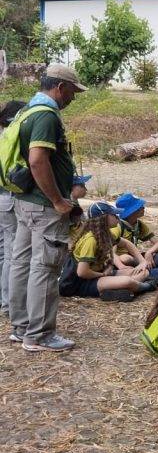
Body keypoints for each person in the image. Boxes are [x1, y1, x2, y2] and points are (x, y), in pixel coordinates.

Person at [8, 64, 86, 352]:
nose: (73, 98)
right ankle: (39, 334)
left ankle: (21, 326)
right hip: (43, 207)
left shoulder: (27, 109)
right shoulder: (46, 115)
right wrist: (57, 200)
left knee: (21, 262)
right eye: (72, 92)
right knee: (45, 267)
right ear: (60, 87)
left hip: (25, 200)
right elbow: (38, 160)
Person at [58, 202, 157, 301]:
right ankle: (146, 286)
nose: (117, 217)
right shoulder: (91, 240)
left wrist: (142, 262)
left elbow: (127, 244)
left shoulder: (104, 234)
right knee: (127, 281)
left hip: (98, 273)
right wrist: (103, 275)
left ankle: (118, 290)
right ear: (104, 218)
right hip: (82, 283)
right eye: (113, 214)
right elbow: (82, 272)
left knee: (143, 272)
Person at [0, 99, 25, 317]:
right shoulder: (9, 139)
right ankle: (9, 304)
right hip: (8, 198)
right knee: (12, 254)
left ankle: (5, 299)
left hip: (2, 201)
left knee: (4, 252)